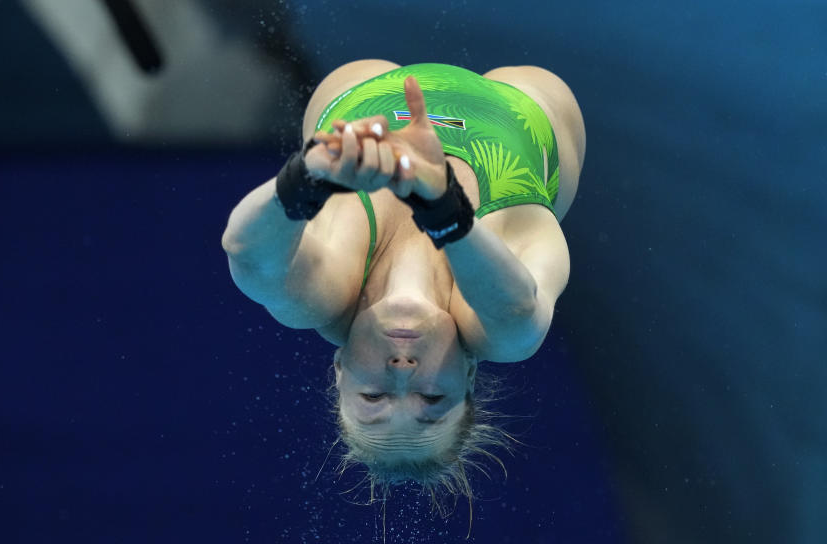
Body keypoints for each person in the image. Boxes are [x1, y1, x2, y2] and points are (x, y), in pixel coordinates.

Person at [221, 60, 585, 517]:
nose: (402, 369)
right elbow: (519, 311)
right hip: (523, 105)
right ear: (468, 379)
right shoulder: (496, 320)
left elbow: (246, 253)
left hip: (366, 89)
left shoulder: (328, 295)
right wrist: (442, 206)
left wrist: (308, 177)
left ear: (340, 373)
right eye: (431, 399)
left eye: (374, 397)